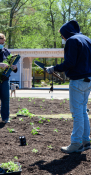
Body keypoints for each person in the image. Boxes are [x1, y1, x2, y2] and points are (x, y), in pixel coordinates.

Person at [46, 20, 91, 153]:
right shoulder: (87, 39)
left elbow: (69, 62)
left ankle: (76, 143)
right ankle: (86, 140)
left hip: (77, 80)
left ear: (66, 32)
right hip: (88, 79)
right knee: (83, 111)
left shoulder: (72, 40)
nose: (62, 38)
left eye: (62, 36)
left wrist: (54, 68)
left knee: (77, 113)